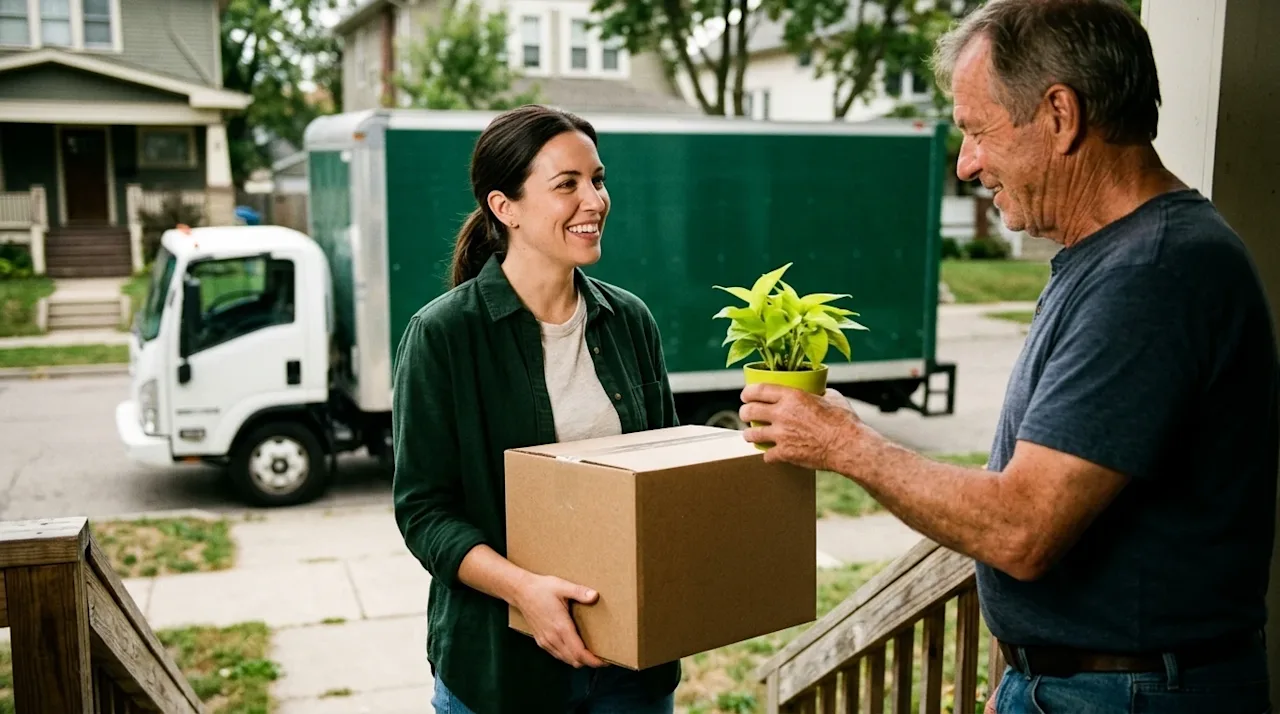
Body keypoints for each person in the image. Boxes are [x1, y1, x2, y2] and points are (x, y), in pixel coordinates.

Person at [739, 1, 1279, 713]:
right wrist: (1030, 673)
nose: (966, 165)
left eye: (975, 131)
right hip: (1088, 685)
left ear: (1060, 114)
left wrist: (846, 445)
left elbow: (1021, 527)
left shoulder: (1154, 273)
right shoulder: (1121, 258)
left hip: (1130, 694)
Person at [391, 105, 681, 714]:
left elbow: (664, 479)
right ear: (506, 208)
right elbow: (423, 511)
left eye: (597, 179)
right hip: (501, 673)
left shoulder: (629, 321)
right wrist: (523, 590)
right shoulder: (444, 335)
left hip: (630, 670)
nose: (595, 200)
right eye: (567, 184)